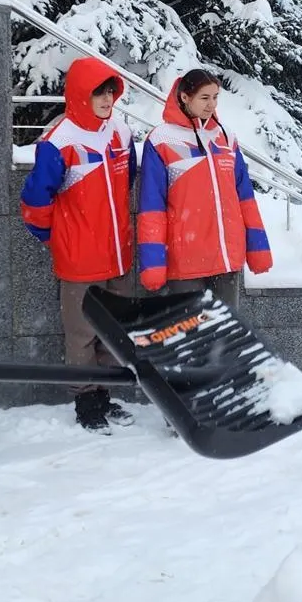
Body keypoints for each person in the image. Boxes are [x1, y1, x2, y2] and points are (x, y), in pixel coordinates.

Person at [20, 56, 138, 431]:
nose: (106, 99)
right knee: (82, 335)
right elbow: (36, 200)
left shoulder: (120, 132)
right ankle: (86, 401)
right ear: (79, 94)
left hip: (117, 252)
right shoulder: (60, 141)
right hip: (79, 258)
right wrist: (57, 238)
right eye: (98, 92)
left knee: (111, 332)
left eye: (110, 92)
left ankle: (104, 395)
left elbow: (128, 179)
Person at [136, 69, 272, 306]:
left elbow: (245, 198)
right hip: (186, 261)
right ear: (185, 97)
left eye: (215, 97)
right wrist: (153, 262)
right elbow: (152, 207)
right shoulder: (162, 140)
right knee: (191, 337)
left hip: (226, 258)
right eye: (204, 97)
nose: (211, 105)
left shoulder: (225, 137)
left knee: (227, 335)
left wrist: (258, 247)